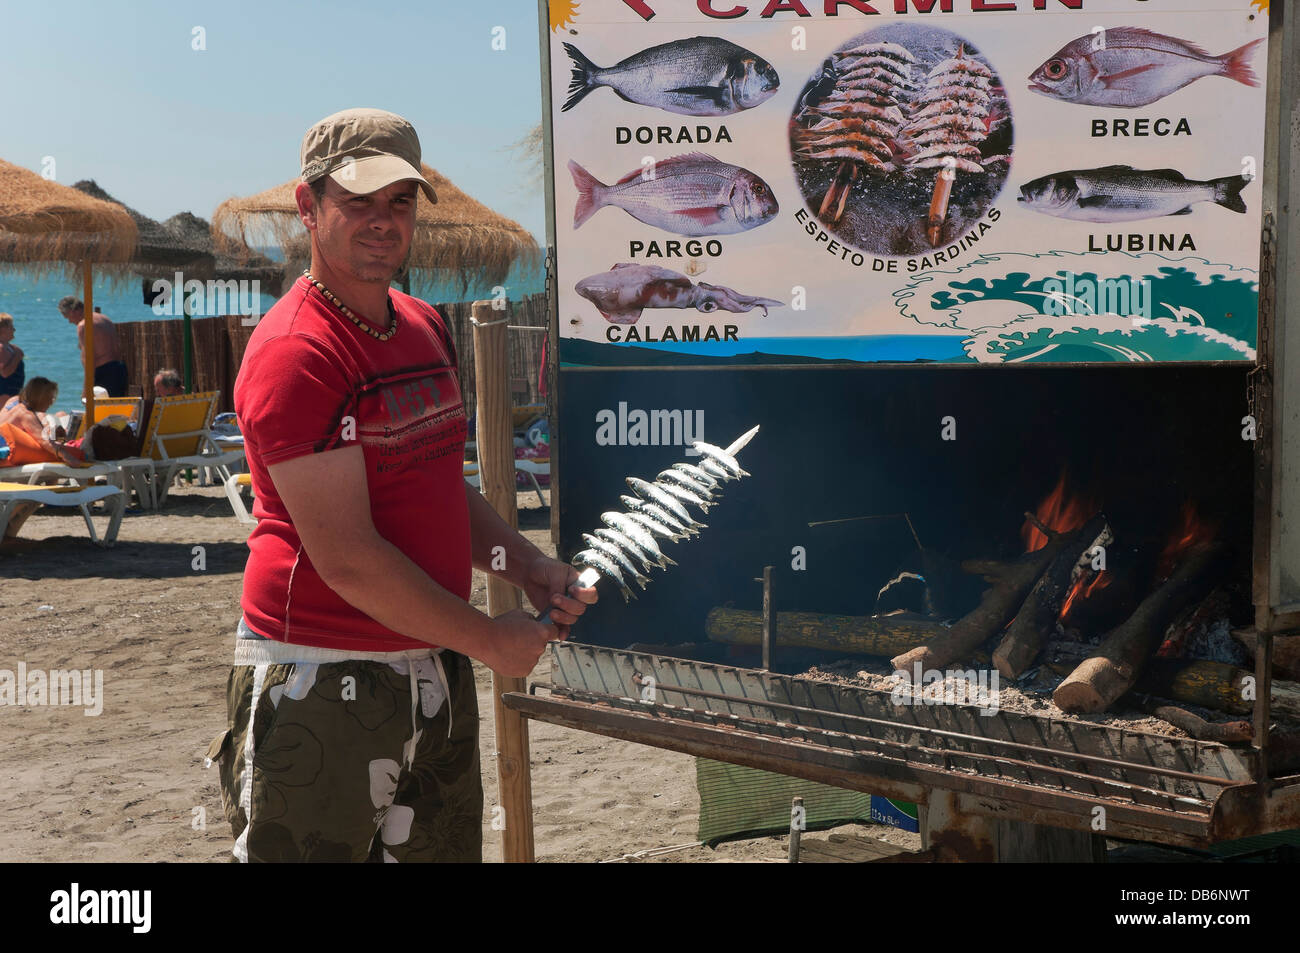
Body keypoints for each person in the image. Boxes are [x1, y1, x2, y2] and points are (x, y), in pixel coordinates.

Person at [214, 108, 597, 863]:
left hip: (437, 663)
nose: (382, 221)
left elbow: (437, 489)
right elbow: (349, 558)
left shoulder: (421, 325)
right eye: (357, 200)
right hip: (320, 678)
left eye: (399, 201)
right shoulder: (297, 351)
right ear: (308, 206)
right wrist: (489, 637)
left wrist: (529, 566)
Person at [57, 296, 128, 397]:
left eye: (67, 317)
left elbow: (89, 360)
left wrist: (86, 389)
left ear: (73, 311)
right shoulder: (104, 318)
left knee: (100, 410)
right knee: (114, 409)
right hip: (119, 369)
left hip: (104, 373)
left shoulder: (84, 325)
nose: (69, 321)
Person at [0, 314, 24, 399]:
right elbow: (5, 373)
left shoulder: (9, 347)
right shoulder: (1, 347)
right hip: (4, 393)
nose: (14, 330)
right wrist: (17, 356)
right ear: (3, 329)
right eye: (11, 327)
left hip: (13, 391)